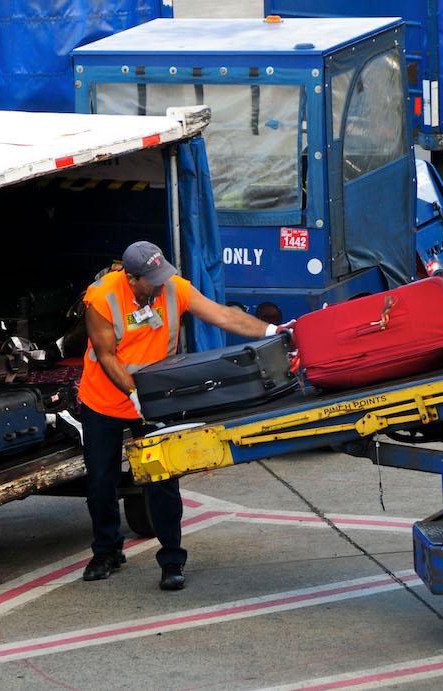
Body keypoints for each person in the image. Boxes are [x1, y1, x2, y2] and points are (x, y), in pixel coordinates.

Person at [78, 240, 292, 590]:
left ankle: (172, 558)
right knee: (101, 482)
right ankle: (107, 550)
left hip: (158, 400)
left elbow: (222, 314)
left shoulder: (172, 287)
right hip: (105, 399)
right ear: (131, 278)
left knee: (163, 479)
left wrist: (272, 331)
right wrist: (133, 393)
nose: (161, 284)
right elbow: (106, 355)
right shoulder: (101, 297)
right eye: (152, 279)